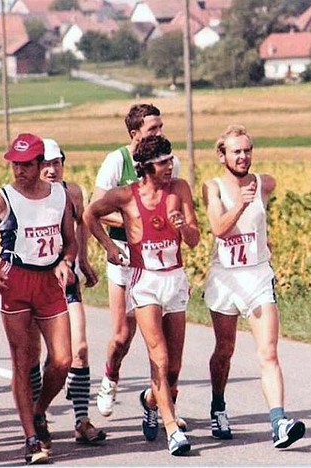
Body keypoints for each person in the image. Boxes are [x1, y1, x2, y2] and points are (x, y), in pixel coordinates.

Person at [84, 135, 199, 456]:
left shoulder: (180, 189)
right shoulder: (126, 196)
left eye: (170, 160)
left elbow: (194, 240)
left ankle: (150, 401)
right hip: (145, 281)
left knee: (173, 368)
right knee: (158, 357)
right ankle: (173, 428)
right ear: (146, 168)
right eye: (163, 162)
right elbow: (90, 214)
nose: (170, 166)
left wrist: (182, 227)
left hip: (175, 279)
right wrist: (109, 248)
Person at [0, 133, 77, 465]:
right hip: (16, 280)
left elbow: (70, 240)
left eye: (26, 165)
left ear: (40, 164)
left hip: (48, 280)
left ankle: (38, 409)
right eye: (15, 164)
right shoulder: (2, 199)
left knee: (62, 360)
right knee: (23, 360)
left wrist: (66, 262)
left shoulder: (60, 195)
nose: (19, 171)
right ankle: (31, 436)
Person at [202, 125, 305, 448]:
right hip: (226, 278)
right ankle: (218, 405)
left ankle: (279, 422)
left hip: (258, 275)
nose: (243, 157)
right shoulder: (213, 187)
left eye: (247, 150)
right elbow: (218, 228)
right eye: (237, 151)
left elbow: (259, 220)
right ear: (223, 156)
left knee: (269, 352)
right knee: (225, 350)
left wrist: (262, 234)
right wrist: (241, 205)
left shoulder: (264, 183)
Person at [90, 103, 182, 419]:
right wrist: (134, 220)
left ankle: (157, 403)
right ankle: (110, 377)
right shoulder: (117, 161)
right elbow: (95, 207)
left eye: (160, 127)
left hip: (159, 261)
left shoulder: (169, 162)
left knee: (163, 346)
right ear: (135, 133)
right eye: (152, 129)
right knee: (122, 334)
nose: (159, 133)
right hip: (125, 256)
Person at [30, 138, 105, 445]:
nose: (51, 170)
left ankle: (81, 420)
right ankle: (38, 417)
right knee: (37, 355)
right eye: (45, 164)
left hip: (66, 278)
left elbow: (81, 224)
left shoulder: (72, 192)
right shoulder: (26, 195)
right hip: (34, 282)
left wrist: (83, 260)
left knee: (80, 348)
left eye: (56, 163)